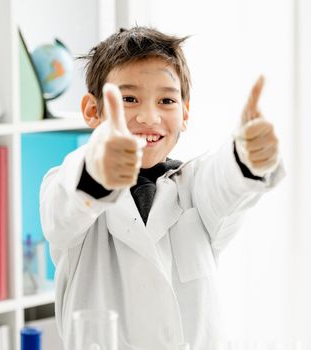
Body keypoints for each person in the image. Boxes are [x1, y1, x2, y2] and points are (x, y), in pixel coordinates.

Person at [40, 26, 285, 350]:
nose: (149, 116)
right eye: (128, 99)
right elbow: (65, 209)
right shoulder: (68, 184)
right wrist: (99, 170)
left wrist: (246, 156)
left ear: (184, 113)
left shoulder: (194, 188)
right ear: (92, 110)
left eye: (166, 100)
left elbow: (224, 180)